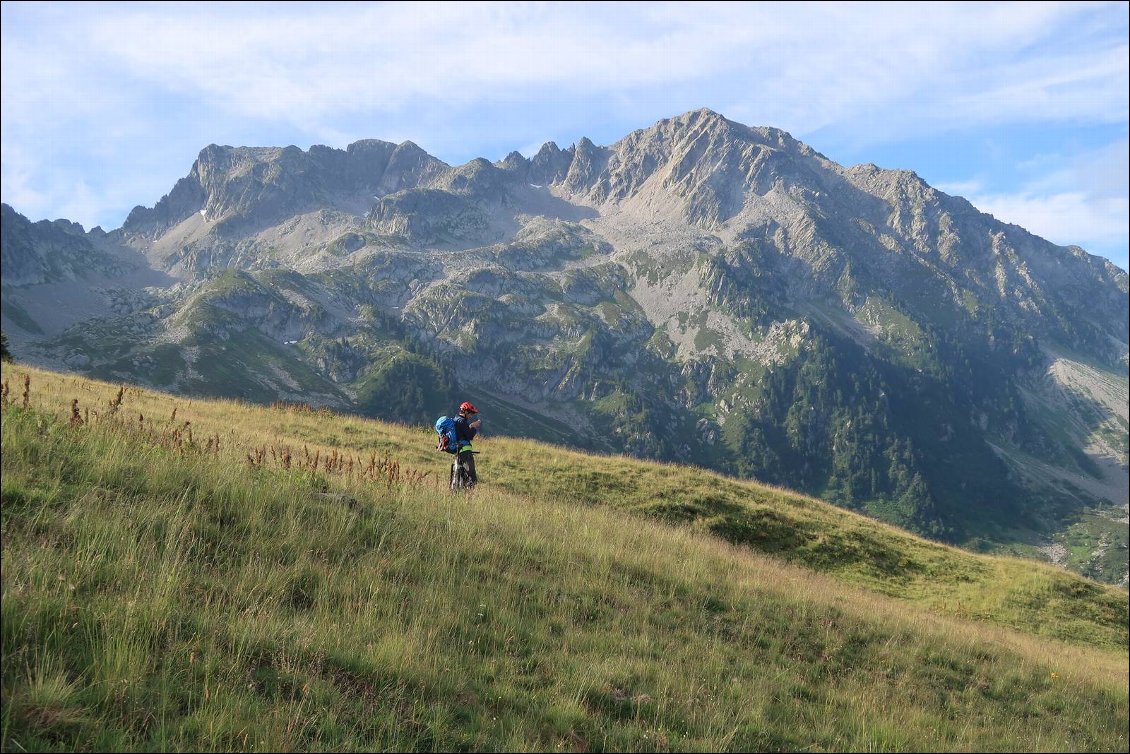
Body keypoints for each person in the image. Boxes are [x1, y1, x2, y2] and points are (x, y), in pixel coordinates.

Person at [451, 401, 482, 489]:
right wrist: (473, 427)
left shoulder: (455, 420)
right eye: (470, 413)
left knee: (458, 472)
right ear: (466, 412)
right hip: (465, 450)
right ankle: (468, 495)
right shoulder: (462, 421)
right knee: (472, 476)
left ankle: (455, 489)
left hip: (457, 450)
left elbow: (462, 433)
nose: (471, 416)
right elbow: (470, 435)